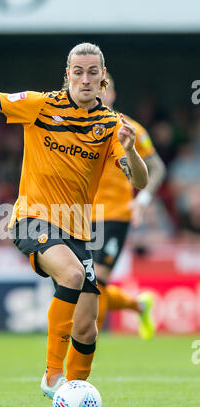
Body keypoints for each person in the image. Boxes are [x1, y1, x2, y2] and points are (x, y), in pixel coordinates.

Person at [0, 42, 148, 398]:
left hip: (78, 229)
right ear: (68, 74)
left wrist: (129, 149)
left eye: (92, 73)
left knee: (87, 330)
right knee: (69, 274)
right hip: (30, 218)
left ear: (102, 81)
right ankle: (53, 377)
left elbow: (140, 181)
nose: (85, 79)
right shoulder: (41, 105)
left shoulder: (112, 126)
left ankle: (75, 396)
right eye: (78, 72)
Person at [90, 74, 166, 339]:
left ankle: (85, 350)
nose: (98, 95)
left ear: (112, 95)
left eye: (103, 90)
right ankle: (138, 305)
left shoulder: (129, 129)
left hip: (115, 215)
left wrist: (141, 201)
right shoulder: (74, 128)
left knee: (96, 281)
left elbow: (156, 167)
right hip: (79, 215)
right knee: (79, 284)